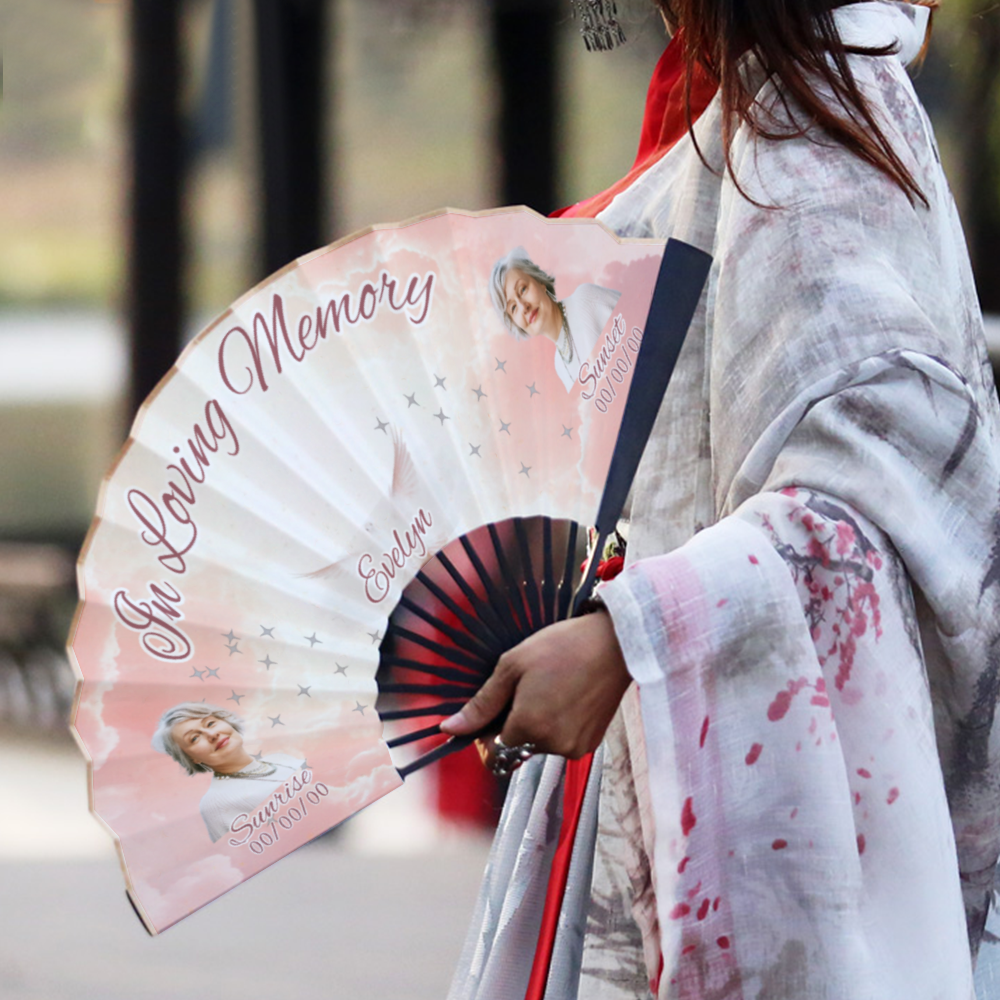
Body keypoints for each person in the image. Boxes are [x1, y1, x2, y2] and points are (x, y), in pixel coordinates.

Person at [441, 1, 1000, 998]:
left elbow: (866, 505)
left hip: (750, 778)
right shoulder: (793, 113)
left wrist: (625, 635)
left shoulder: (808, 147)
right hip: (679, 740)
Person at [152, 702, 305, 843]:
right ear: (191, 758)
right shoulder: (216, 804)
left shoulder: (283, 759)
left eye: (210, 723)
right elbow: (246, 858)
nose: (212, 735)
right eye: (195, 738)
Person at [490, 247, 621, 391]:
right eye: (513, 308)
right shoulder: (560, 367)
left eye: (523, 289)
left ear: (539, 282)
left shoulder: (585, 299)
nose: (524, 307)